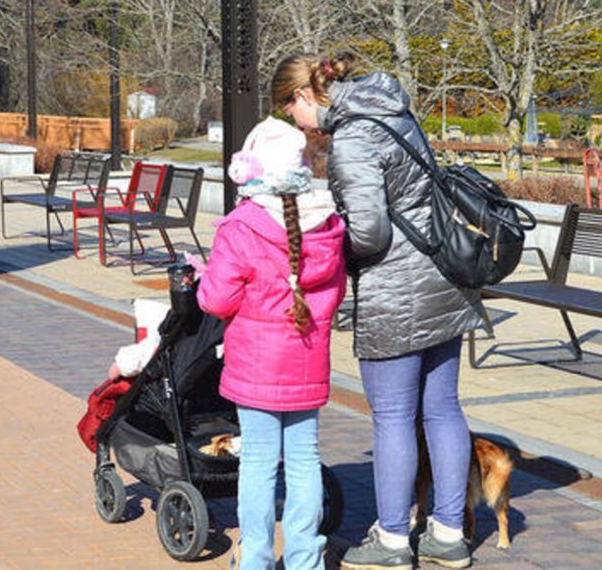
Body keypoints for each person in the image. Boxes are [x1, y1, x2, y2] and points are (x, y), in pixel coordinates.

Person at [273, 53, 483, 570]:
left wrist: (328, 250)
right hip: (444, 276)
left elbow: (370, 232)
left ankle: (391, 540)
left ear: (303, 97)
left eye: (288, 112)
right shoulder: (392, 108)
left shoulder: (351, 138)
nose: (296, 125)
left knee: (391, 417)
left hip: (396, 293)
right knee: (442, 409)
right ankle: (449, 534)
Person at [197, 116, 347, 570]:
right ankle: (306, 558)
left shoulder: (240, 227)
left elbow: (217, 299)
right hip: (308, 359)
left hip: (255, 366)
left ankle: (256, 557)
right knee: (304, 459)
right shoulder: (327, 225)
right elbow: (335, 293)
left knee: (259, 464)